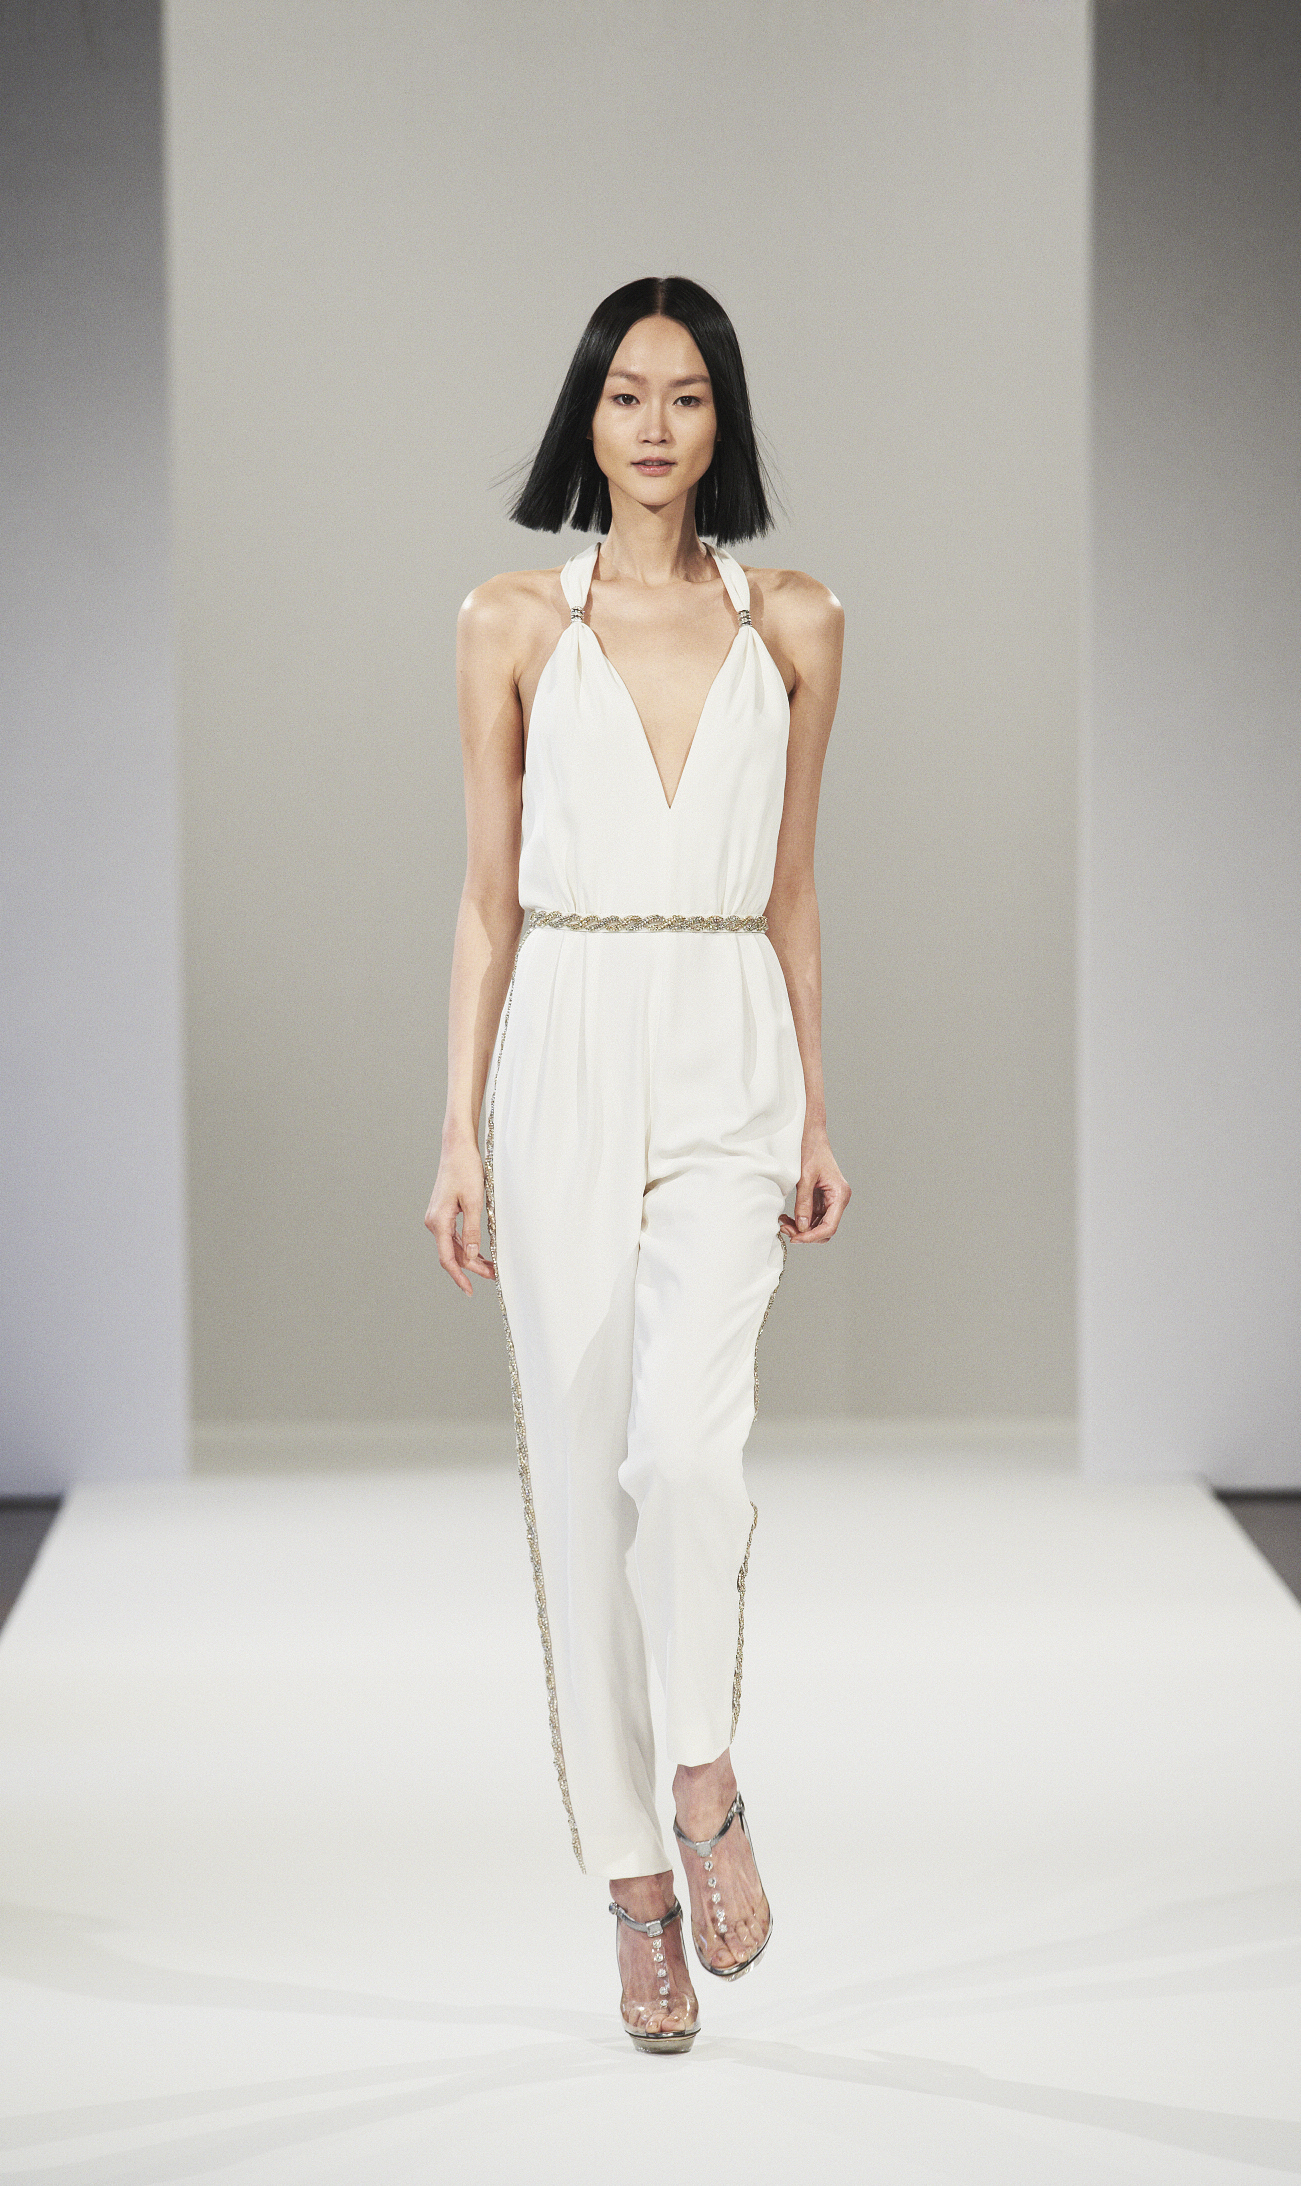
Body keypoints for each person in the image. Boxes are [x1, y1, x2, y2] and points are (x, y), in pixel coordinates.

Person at [424, 276, 850, 2053]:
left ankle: (699, 1768)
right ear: (586, 418)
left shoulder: (797, 621)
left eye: (683, 394)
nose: (653, 425)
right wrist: (455, 1127)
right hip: (566, 1046)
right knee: (578, 1478)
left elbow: (794, 885)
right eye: (623, 393)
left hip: (727, 1042)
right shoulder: (512, 619)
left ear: (720, 416)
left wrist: (814, 1106)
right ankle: (631, 1893)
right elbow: (485, 895)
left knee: (685, 1446)